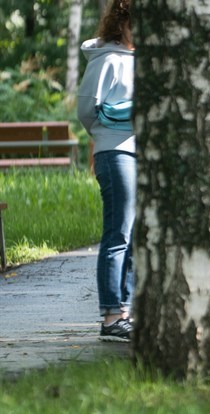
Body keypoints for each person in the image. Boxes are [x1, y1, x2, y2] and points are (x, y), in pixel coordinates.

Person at [77, 0, 135, 342]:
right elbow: (86, 110)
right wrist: (105, 135)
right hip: (115, 152)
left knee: (133, 234)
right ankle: (112, 315)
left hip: (136, 151)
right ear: (123, 23)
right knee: (118, 232)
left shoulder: (139, 59)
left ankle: (123, 312)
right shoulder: (108, 60)